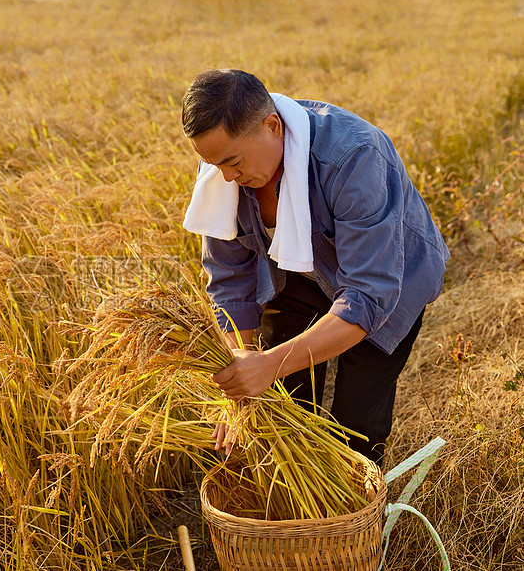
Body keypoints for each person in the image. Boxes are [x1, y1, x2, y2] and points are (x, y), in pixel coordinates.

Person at [181, 69, 449, 464]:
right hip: (297, 275)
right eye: (213, 164)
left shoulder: (354, 157)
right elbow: (230, 284)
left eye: (233, 163)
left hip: (389, 281)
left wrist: (269, 363)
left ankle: (350, 518)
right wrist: (244, 371)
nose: (225, 177)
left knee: (354, 428)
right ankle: (295, 521)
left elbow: (367, 298)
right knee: (282, 414)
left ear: (272, 125)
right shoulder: (222, 171)